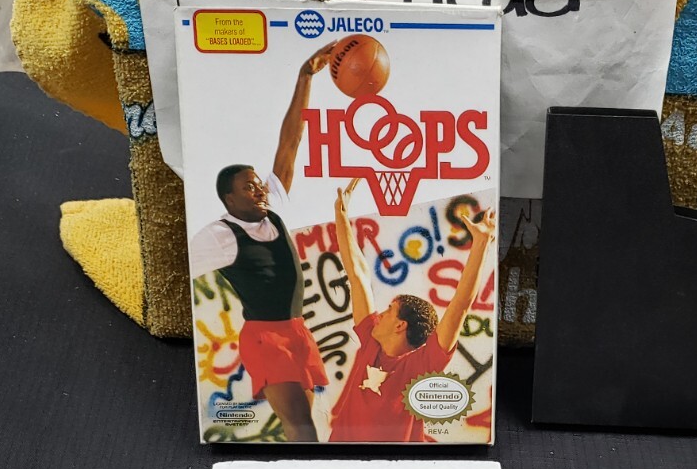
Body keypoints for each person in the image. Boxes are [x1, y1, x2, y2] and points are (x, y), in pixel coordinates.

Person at [188, 43, 335, 441]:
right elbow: (181, 266)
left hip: (298, 332)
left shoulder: (274, 209)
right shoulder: (220, 235)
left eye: (259, 184)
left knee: (307, 426)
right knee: (302, 425)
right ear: (229, 200)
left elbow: (290, 142)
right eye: (248, 188)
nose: (259, 190)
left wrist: (305, 76)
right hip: (265, 337)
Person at [325, 179, 495, 442]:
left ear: (400, 325)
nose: (380, 314)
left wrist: (481, 242)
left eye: (389, 310)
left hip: (396, 462)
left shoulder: (421, 366)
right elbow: (357, 275)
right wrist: (341, 216)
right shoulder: (371, 340)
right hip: (342, 459)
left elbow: (460, 305)